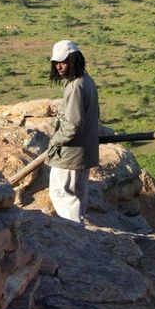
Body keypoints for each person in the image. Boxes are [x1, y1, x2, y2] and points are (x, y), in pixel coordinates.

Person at [46, 39, 100, 225]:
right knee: (77, 194)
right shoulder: (87, 81)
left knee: (62, 194)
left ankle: (74, 233)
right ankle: (79, 230)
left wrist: (54, 141)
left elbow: (72, 125)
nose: (59, 66)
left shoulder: (75, 86)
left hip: (70, 153)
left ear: (75, 60)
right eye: (56, 62)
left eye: (64, 61)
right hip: (84, 151)